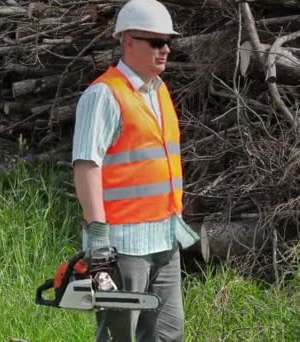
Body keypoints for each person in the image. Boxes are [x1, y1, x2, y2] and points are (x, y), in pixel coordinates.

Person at [71, 0, 200, 340]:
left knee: (168, 333)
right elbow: (86, 165)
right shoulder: (103, 95)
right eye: (156, 42)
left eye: (168, 41)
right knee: (120, 335)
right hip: (122, 245)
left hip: (164, 237)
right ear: (128, 41)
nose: (165, 49)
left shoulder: (159, 92)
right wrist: (98, 238)